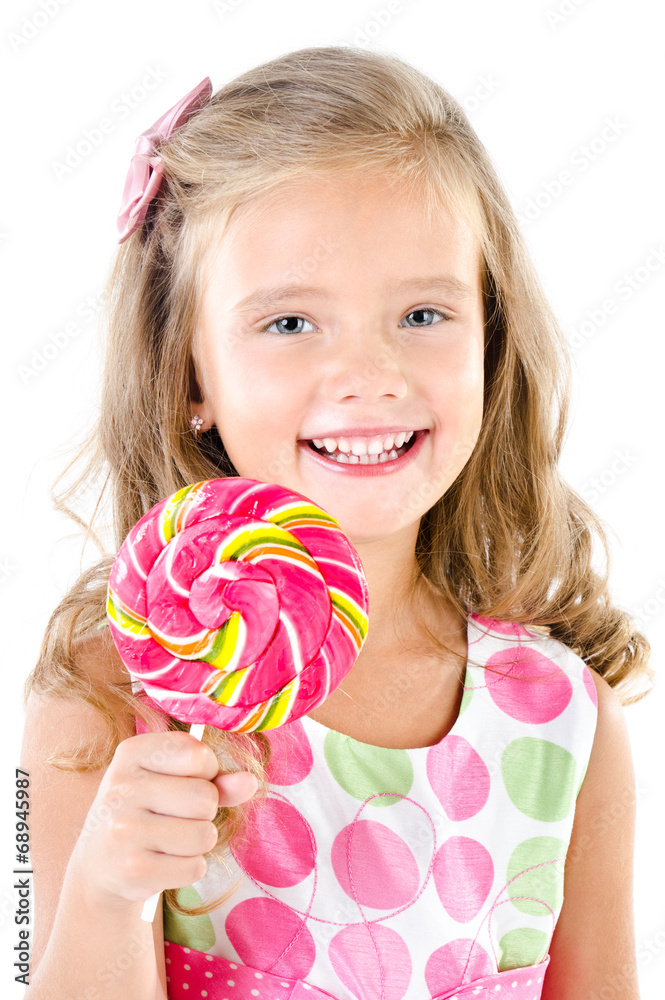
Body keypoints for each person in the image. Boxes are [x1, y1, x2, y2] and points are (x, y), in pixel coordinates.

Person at [21, 46, 653, 1000]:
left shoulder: (563, 724)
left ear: (490, 339)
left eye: (423, 314)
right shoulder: (110, 703)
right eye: (289, 324)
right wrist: (107, 894)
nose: (369, 375)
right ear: (190, 374)